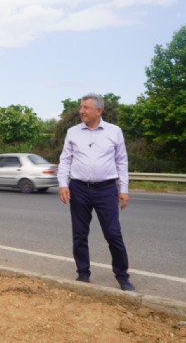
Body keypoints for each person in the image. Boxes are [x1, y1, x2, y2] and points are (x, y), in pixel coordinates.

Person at [57, 93, 135, 291]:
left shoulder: (114, 131)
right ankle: (83, 274)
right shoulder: (73, 132)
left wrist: (123, 189)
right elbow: (65, 159)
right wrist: (63, 184)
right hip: (79, 189)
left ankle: (122, 276)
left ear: (98, 110)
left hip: (106, 189)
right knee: (80, 234)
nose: (81, 111)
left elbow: (121, 161)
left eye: (86, 108)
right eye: (81, 107)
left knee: (113, 233)